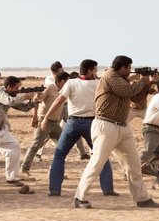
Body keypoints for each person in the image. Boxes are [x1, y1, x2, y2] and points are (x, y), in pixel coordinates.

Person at [73, 55, 159, 209]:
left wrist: (146, 85)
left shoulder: (122, 79)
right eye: (129, 69)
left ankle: (142, 198)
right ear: (123, 67)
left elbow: (137, 98)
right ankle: (80, 197)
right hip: (105, 125)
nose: (130, 72)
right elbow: (127, 91)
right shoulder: (109, 76)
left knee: (133, 165)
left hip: (122, 126)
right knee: (96, 163)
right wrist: (142, 81)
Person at [43, 59, 116, 197]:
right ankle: (107, 189)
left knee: (59, 154)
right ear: (89, 70)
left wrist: (46, 117)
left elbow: (59, 101)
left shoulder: (71, 82)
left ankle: (54, 190)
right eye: (95, 70)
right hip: (92, 123)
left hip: (73, 123)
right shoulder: (98, 84)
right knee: (101, 155)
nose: (96, 73)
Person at [0, 76, 39, 187]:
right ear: (9, 87)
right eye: (16, 88)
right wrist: (25, 95)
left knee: (14, 148)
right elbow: (9, 101)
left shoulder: (11, 95)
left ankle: (12, 178)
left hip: (0, 129)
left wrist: (35, 100)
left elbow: (24, 108)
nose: (18, 90)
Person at [21, 71, 70, 177]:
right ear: (62, 81)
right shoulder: (49, 88)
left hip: (55, 123)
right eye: (67, 81)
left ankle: (55, 171)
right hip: (44, 121)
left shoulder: (63, 91)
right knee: (35, 145)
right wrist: (37, 96)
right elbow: (37, 100)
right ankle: (24, 169)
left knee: (63, 146)